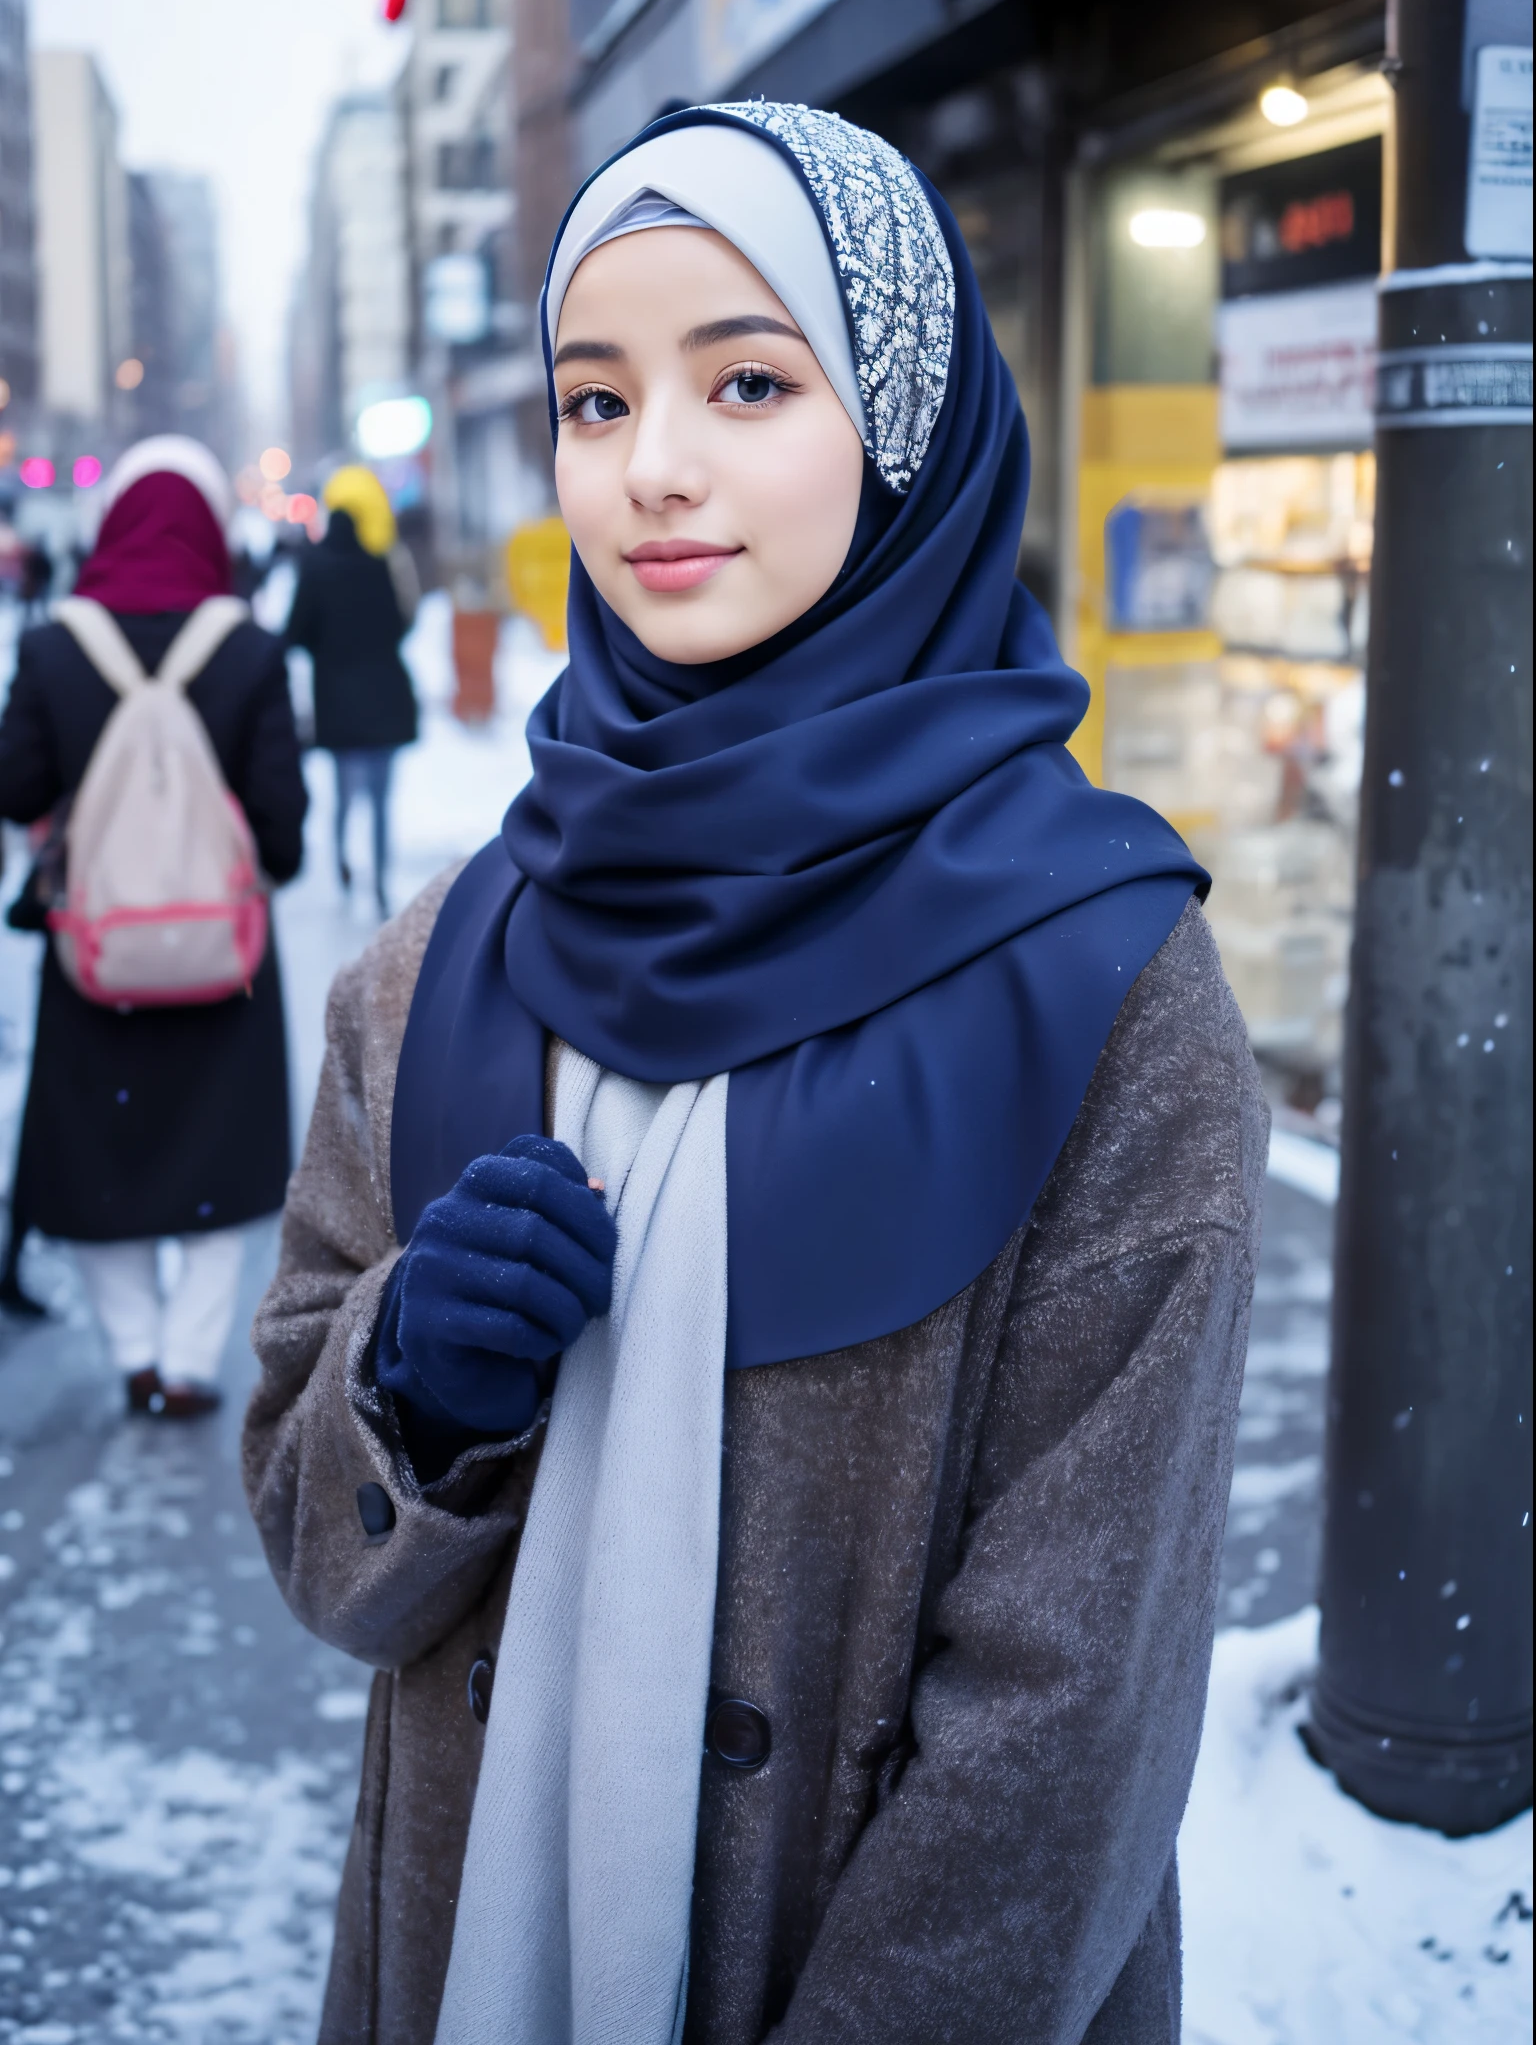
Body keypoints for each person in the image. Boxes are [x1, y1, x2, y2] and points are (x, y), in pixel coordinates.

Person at [245, 105, 1266, 2045]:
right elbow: (322, 1550)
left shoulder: (1104, 981)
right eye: (597, 400)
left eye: (748, 377)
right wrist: (409, 1385)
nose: (658, 471)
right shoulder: (444, 960)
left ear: (900, 421)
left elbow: (1064, 1731)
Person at [0, 436, 307, 1418]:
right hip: (226, 962)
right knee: (224, 1159)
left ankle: (133, 1356)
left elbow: (14, 786)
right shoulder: (250, 651)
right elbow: (285, 839)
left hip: (95, 954)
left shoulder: (53, 648)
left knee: (99, 1156)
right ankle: (188, 1362)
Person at [285, 465, 418, 916]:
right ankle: (380, 882)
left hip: (336, 701)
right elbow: (404, 621)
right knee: (381, 800)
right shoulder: (384, 561)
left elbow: (294, 633)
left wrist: (326, 647)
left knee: (343, 794)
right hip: (386, 698)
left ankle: (342, 864)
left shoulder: (315, 566)